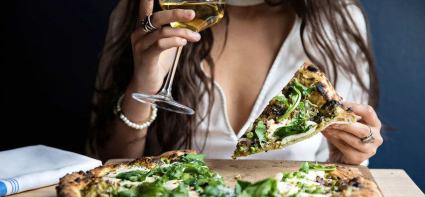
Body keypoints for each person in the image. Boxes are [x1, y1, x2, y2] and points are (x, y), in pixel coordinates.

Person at [90, 0, 383, 164]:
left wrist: (350, 155)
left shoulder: (337, 24)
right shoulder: (146, 14)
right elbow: (108, 163)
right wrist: (144, 83)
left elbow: (343, 178)